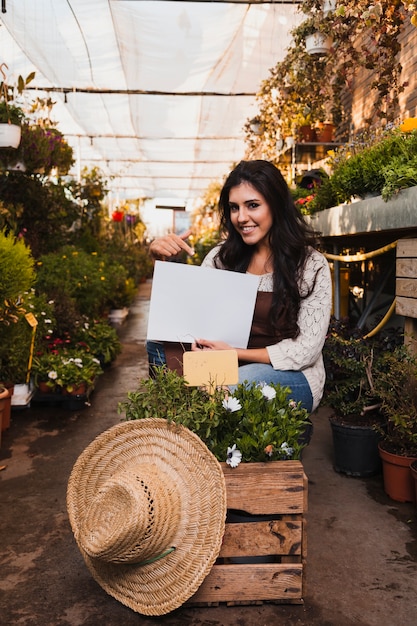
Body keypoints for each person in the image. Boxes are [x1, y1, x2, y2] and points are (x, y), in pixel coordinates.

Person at [148, 160, 332, 413]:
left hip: (290, 372)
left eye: (253, 205)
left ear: (276, 205)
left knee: (231, 389)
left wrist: (233, 353)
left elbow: (305, 351)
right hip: (223, 364)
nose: (241, 217)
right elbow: (190, 319)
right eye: (234, 208)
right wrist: (163, 261)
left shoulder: (311, 265)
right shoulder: (220, 258)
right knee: (158, 345)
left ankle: (196, 415)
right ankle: (188, 425)